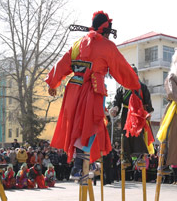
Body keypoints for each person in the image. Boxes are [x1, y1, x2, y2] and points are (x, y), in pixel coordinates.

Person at [45, 11, 140, 172]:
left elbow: (62, 64)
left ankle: (82, 162)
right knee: (90, 126)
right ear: (105, 29)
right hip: (92, 90)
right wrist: (135, 84)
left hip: (73, 90)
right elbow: (121, 67)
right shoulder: (107, 46)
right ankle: (79, 165)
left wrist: (52, 83)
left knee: (78, 127)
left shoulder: (77, 44)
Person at [110, 64, 154, 160]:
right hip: (126, 115)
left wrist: (147, 113)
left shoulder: (142, 87)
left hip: (139, 116)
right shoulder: (122, 88)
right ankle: (126, 157)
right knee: (126, 136)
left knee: (138, 136)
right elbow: (117, 102)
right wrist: (115, 108)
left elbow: (148, 104)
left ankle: (139, 156)